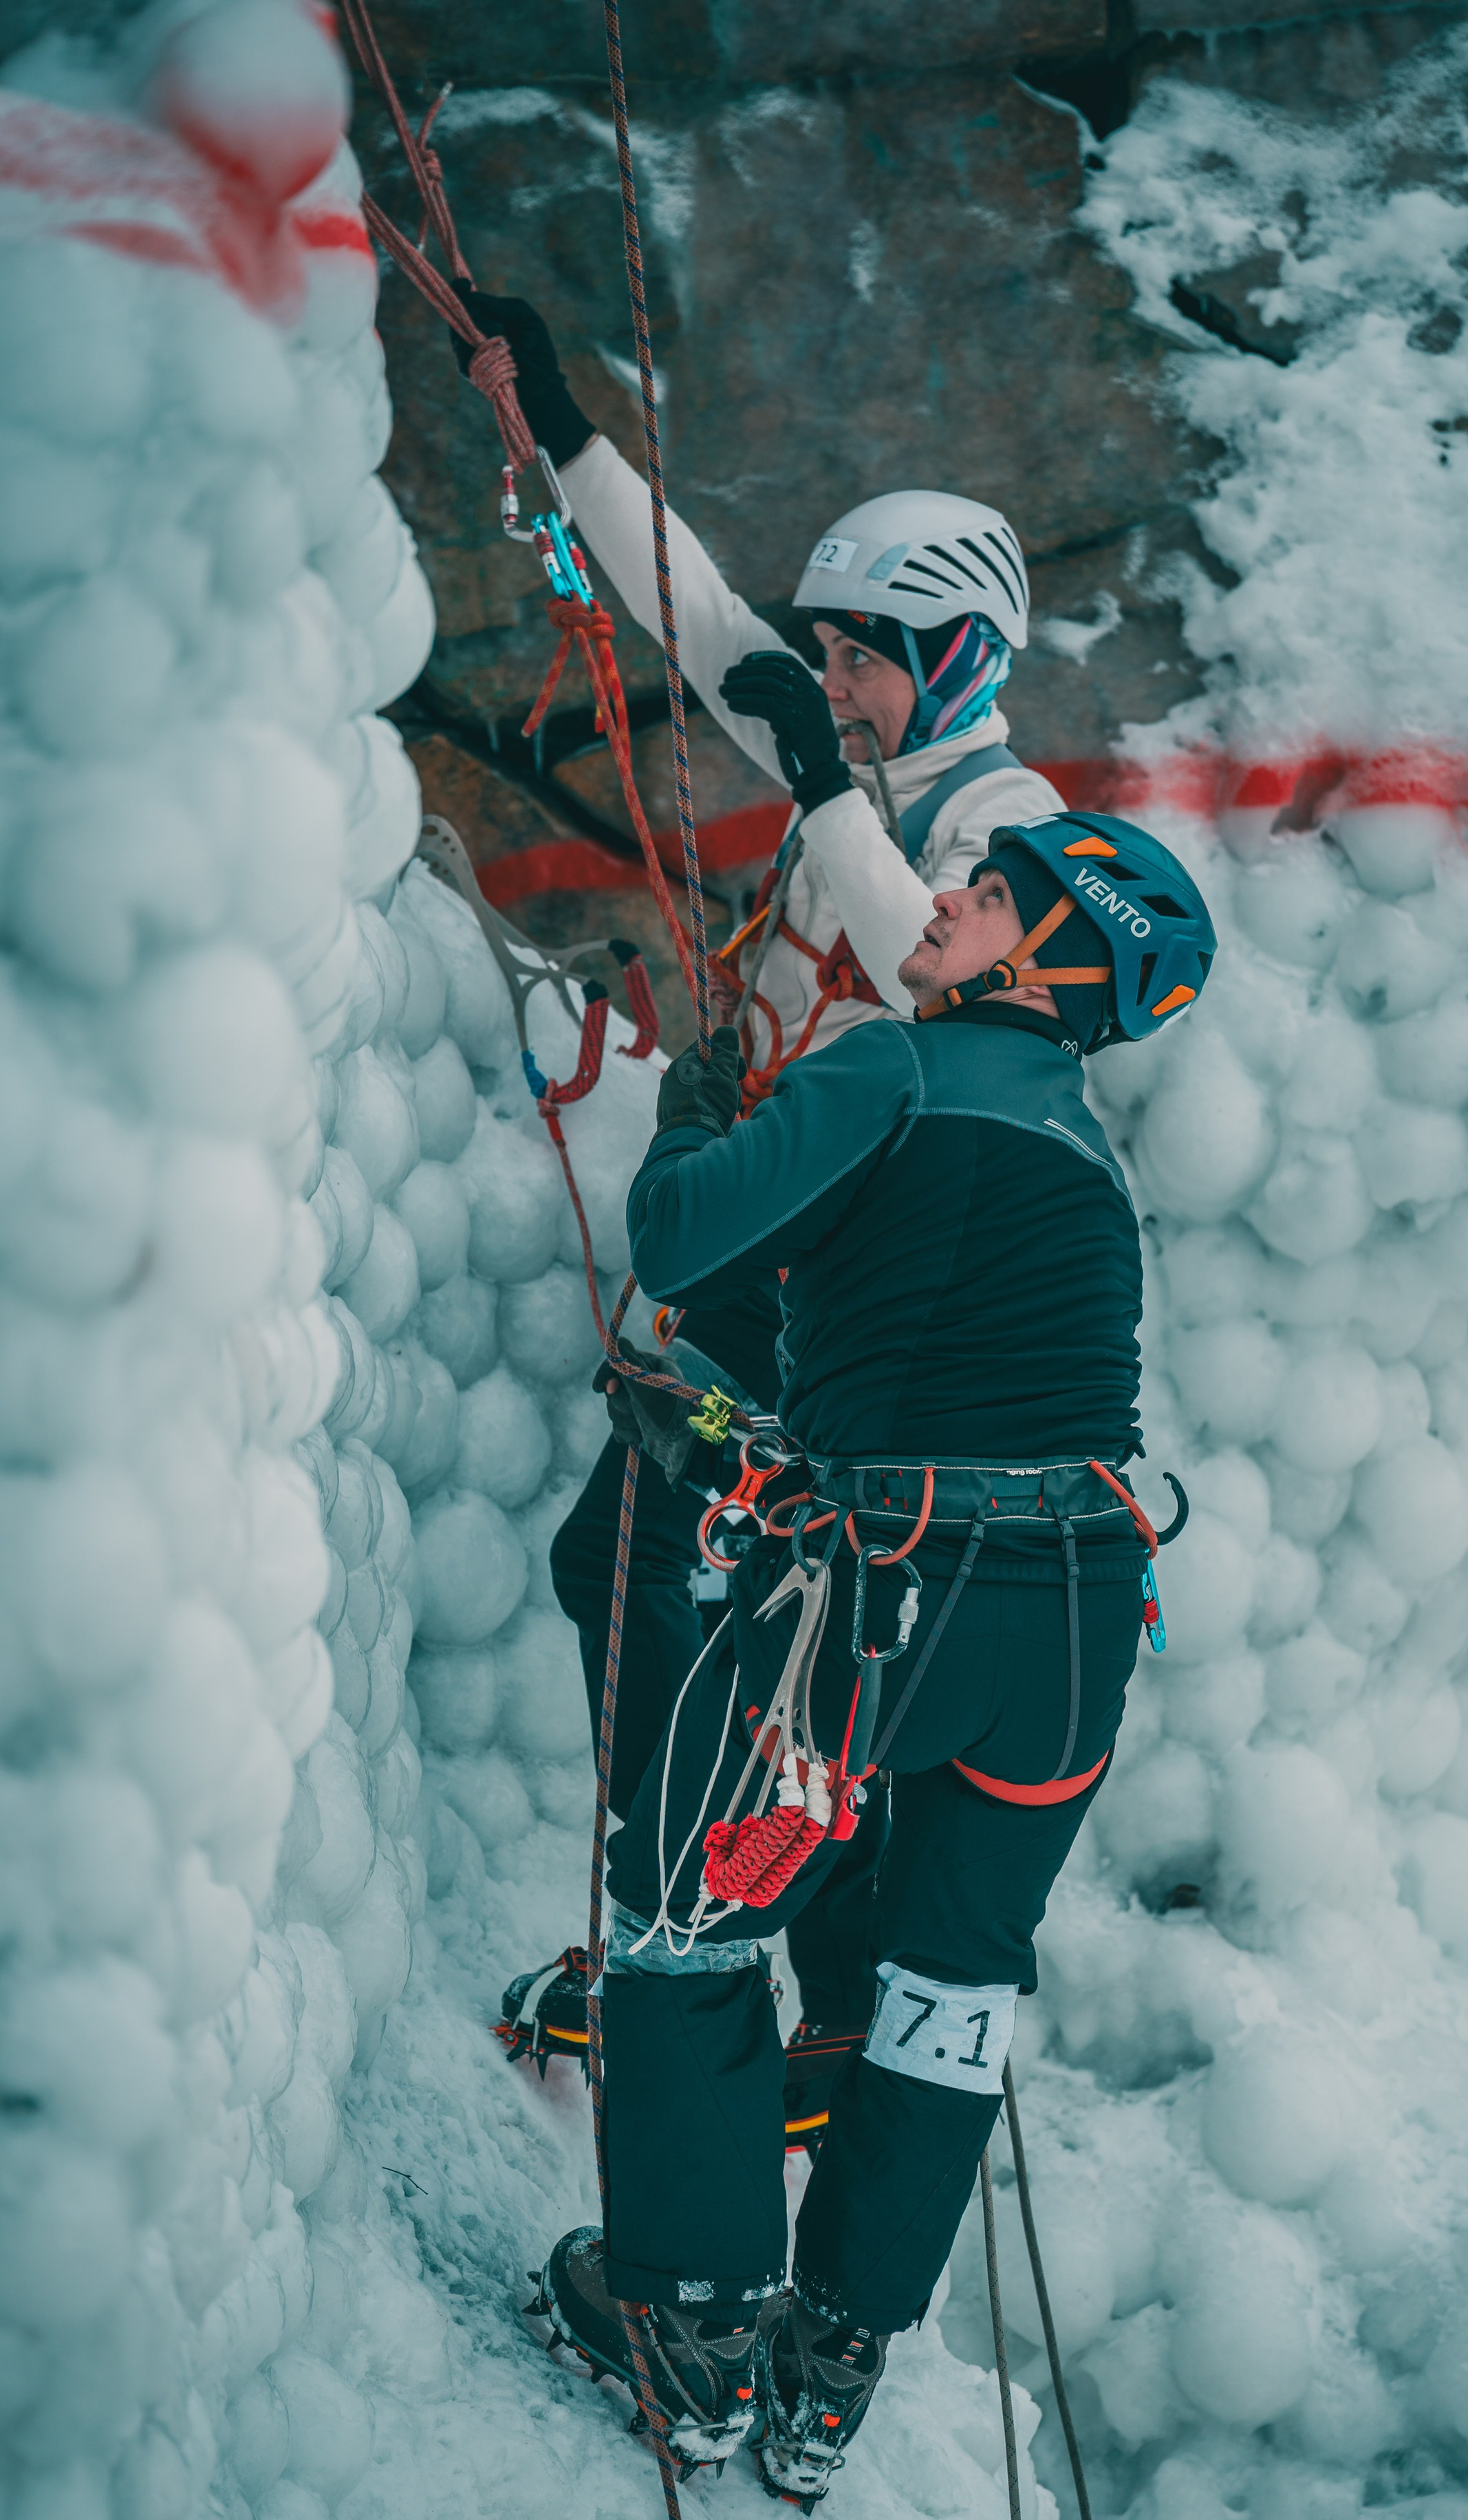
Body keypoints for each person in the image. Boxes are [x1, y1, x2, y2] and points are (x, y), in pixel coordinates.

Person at [519, 807, 1216, 2506]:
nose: (948, 901)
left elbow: (682, 1245)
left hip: (885, 1604)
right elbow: (945, 1354)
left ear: (1045, 955)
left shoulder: (897, 1067)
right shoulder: (1080, 1150)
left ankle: (689, 2328)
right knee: (950, 1990)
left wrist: (689, 1127)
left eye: (988, 895)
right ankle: (830, 2365)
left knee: (683, 1919)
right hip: (1071, 1627)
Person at [453, 287, 1069, 2093]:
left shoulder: (1010, 821)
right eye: (834, 654)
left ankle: (738, 1977)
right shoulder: (853, 769)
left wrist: (815, 781)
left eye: (866, 655)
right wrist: (564, 424)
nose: (837, 680)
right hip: (776, 1254)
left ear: (955, 656)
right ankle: (714, 1950)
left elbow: (948, 984)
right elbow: (707, 618)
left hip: (860, 1295)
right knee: (665, 1585)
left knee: (770, 1626)